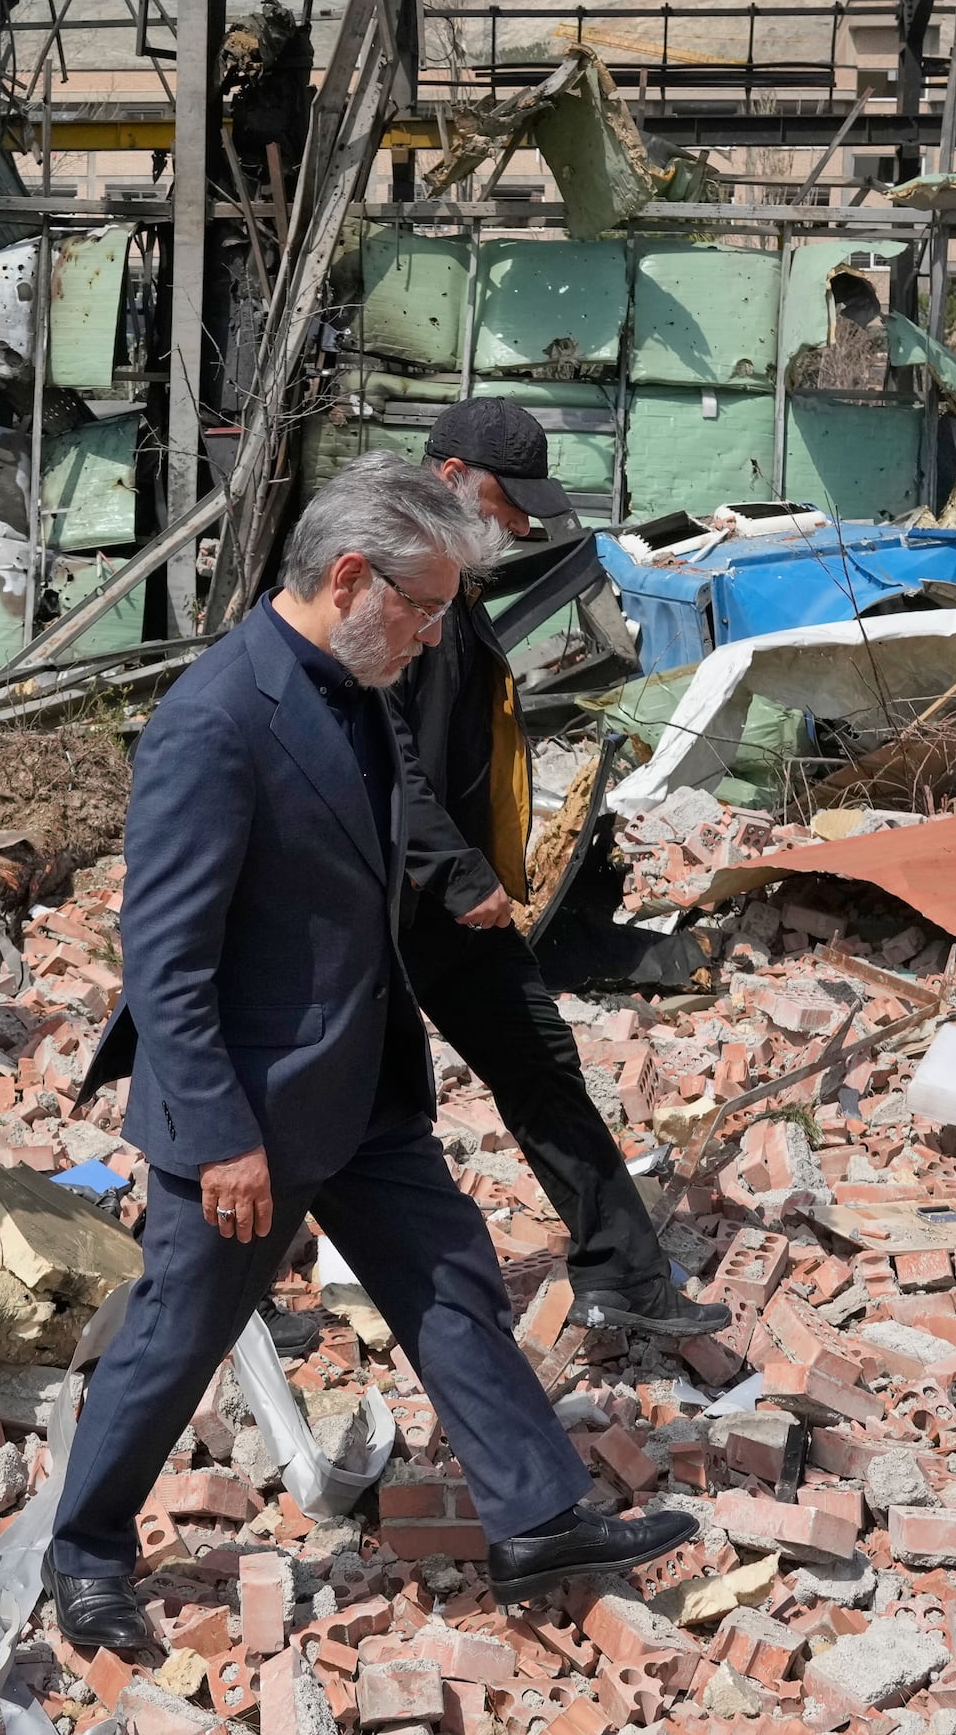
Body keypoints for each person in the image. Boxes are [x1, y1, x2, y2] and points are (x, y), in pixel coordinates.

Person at [43, 459, 695, 1653]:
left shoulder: (356, 686)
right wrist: (222, 1134)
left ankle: (537, 1516)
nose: (438, 632)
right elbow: (168, 961)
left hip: (362, 1084)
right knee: (178, 1333)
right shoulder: (217, 721)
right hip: (250, 1109)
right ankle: (85, 1552)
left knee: (451, 1281)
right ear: (351, 579)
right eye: (427, 605)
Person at [391, 401, 726, 1337]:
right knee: (337, 1108)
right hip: (379, 899)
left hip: (450, 903)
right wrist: (455, 872)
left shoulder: (449, 583)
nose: (524, 526)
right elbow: (382, 758)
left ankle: (627, 1280)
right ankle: (216, 1297)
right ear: (452, 477)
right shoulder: (392, 584)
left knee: (541, 1063)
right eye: (510, 501)